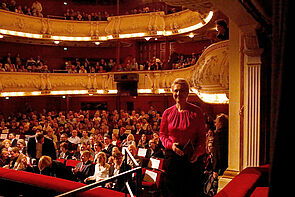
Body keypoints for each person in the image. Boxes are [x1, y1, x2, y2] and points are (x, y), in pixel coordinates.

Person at [159, 78, 206, 197]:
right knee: (172, 191)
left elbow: (201, 137)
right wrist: (171, 146)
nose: (178, 94)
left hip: (191, 157)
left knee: (190, 191)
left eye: (182, 90)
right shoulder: (167, 113)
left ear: (187, 93)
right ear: (172, 92)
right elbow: (162, 135)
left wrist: (197, 152)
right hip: (172, 156)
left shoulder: (197, 112)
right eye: (176, 91)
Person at [212, 113, 229, 179]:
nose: (215, 124)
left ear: (220, 123)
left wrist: (215, 169)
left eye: (216, 122)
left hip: (220, 167)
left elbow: (217, 152)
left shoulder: (219, 135)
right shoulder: (229, 133)